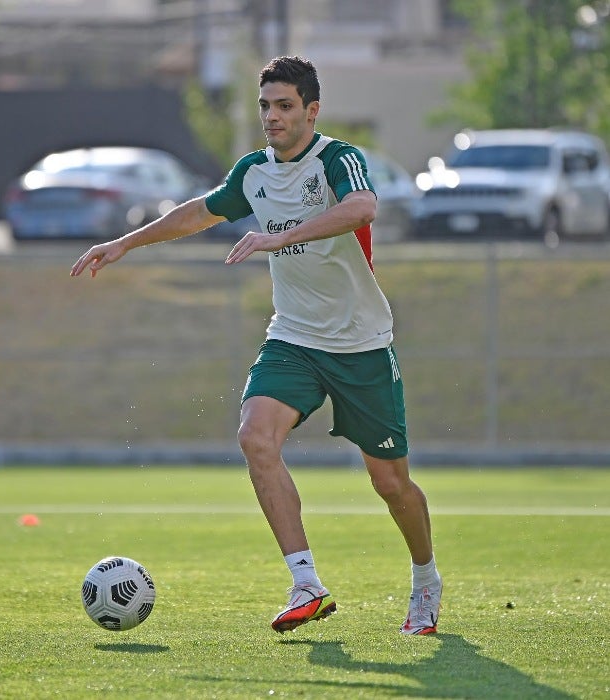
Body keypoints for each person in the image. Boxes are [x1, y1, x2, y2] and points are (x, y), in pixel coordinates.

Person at [71, 55, 442, 636]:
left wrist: (282, 236)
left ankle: (425, 582)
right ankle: (306, 583)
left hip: (360, 342)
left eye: (285, 105)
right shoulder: (254, 171)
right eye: (265, 105)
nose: (271, 116)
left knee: (390, 484)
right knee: (254, 436)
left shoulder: (339, 159)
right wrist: (126, 242)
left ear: (311, 110)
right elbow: (201, 211)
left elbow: (361, 208)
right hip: (293, 337)